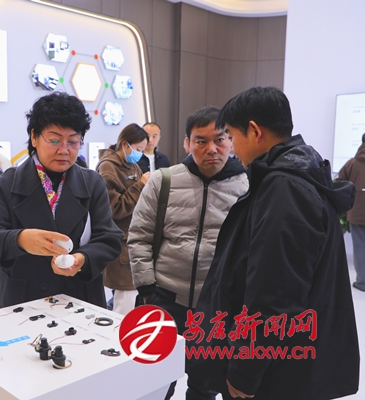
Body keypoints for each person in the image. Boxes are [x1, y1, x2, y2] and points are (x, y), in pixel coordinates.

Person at [187, 87, 359, 400]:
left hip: (278, 371)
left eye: (232, 136)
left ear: (254, 131)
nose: (232, 148)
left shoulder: (285, 188)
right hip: (288, 359)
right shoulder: (295, 175)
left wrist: (245, 371)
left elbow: (275, 295)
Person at [128, 106, 248, 399]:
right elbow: (139, 236)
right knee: (154, 385)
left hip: (217, 310)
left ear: (231, 141)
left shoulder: (247, 187)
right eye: (201, 141)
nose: (212, 149)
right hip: (166, 300)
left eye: (220, 140)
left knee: (205, 387)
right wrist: (147, 289)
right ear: (187, 143)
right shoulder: (164, 180)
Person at [0, 91, 123, 308]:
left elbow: (109, 238)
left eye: (73, 142)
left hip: (80, 297)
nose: (64, 150)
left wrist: (82, 259)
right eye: (54, 140)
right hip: (25, 300)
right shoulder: (9, 182)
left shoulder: (92, 183)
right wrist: (20, 239)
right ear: (34, 137)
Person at [96, 123, 150, 315]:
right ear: (125, 144)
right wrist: (140, 185)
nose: (140, 154)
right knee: (124, 301)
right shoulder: (108, 168)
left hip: (134, 237)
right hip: (120, 240)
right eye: (138, 149)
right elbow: (114, 208)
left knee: (132, 297)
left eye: (143, 150)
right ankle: (118, 334)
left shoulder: (131, 165)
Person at [338, 132, 365, 291]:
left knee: (360, 247)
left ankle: (362, 282)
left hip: (357, 212)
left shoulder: (352, 163)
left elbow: (338, 182)